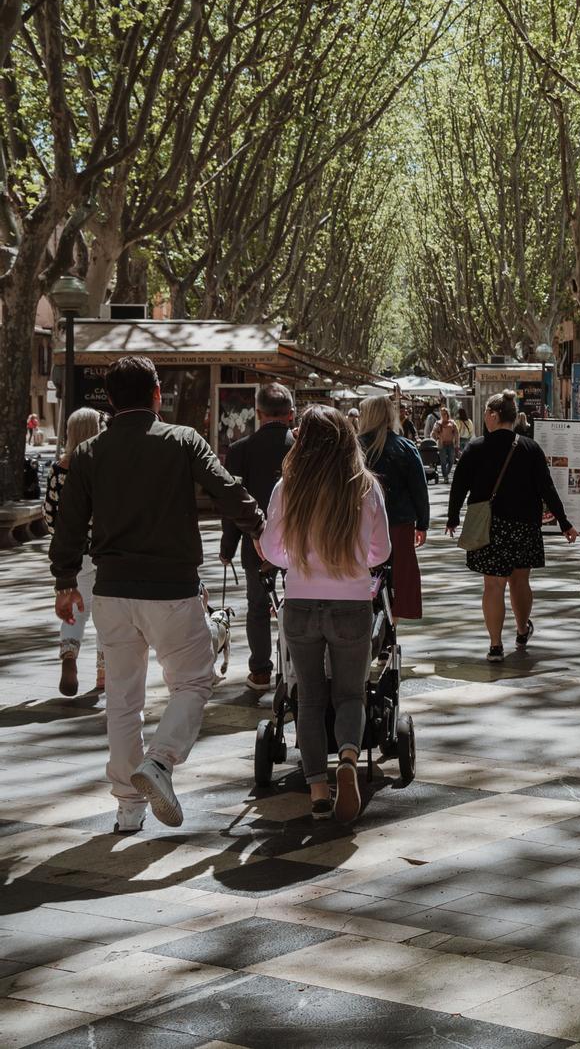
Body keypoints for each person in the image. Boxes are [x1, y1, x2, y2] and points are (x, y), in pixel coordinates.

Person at [49, 355, 262, 833]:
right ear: (157, 395)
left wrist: (65, 581)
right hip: (171, 590)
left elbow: (68, 525)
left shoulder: (88, 454)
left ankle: (128, 809)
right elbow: (227, 492)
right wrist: (258, 527)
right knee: (193, 682)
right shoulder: (183, 440)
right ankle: (161, 762)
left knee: (123, 699)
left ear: (109, 401)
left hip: (112, 593)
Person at [257, 406, 390, 823]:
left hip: (299, 603)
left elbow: (272, 550)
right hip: (351, 603)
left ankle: (317, 788)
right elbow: (382, 550)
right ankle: (348, 757)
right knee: (350, 694)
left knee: (309, 698)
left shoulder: (287, 487)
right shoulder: (365, 486)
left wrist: (299, 557)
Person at [447, 390, 576, 662]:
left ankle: (495, 645)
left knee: (493, 586)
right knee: (520, 581)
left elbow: (459, 485)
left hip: (489, 527)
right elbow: (547, 488)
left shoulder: (476, 447)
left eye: (485, 413)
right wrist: (564, 523)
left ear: (493, 416)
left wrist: (453, 517)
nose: (483, 418)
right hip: (524, 525)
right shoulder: (530, 448)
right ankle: (520, 630)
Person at [220, 383, 295, 691]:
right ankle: (294, 668)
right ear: (291, 414)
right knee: (299, 604)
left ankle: (261, 671)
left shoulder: (240, 450)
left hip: (257, 542)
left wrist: (227, 546)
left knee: (257, 606)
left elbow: (232, 504)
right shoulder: (301, 448)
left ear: (259, 413)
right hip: (298, 543)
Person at [44, 408, 105, 696]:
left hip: (72, 554)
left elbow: (50, 515)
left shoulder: (58, 470)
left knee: (76, 611)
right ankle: (104, 671)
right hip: (103, 549)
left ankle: (69, 656)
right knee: (106, 611)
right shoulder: (104, 467)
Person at [358, 395, 427, 620]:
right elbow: (419, 488)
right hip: (399, 523)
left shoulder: (355, 448)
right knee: (398, 579)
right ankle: (391, 631)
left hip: (361, 525)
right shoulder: (405, 447)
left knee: (362, 576)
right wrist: (422, 524)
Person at [435, 409, 461, 481]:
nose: (443, 416)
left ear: (447, 414)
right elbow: (433, 433)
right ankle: (445, 476)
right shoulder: (438, 423)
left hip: (450, 444)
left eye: (444, 414)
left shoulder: (452, 423)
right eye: (442, 414)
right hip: (442, 445)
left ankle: (446, 473)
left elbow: (457, 433)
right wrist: (437, 435)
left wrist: (457, 444)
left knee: (451, 461)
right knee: (443, 461)